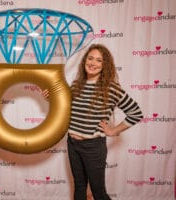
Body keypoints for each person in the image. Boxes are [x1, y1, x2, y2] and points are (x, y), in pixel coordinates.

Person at [43, 44, 143, 200]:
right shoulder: (76, 85)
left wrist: (114, 130)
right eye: (90, 58)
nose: (93, 63)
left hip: (93, 147)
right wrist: (51, 97)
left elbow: (136, 112)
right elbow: (64, 108)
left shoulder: (111, 88)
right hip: (72, 144)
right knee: (80, 187)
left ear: (105, 65)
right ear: (84, 61)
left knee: (98, 192)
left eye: (99, 60)